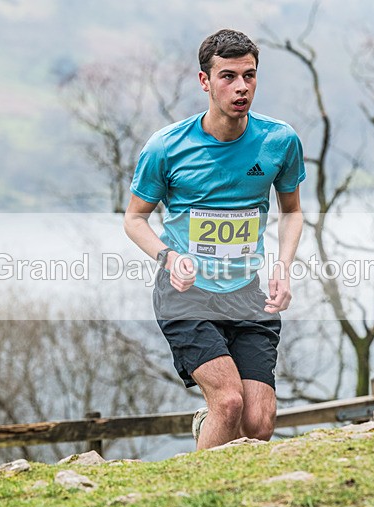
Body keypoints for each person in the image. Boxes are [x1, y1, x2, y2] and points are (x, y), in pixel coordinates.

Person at [123, 28, 305, 450]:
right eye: (228, 76)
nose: (241, 86)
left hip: (246, 294)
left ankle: (213, 437)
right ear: (205, 81)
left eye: (249, 75)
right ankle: (195, 497)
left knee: (259, 421)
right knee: (228, 402)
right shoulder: (166, 147)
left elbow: (292, 211)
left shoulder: (279, 141)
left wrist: (283, 268)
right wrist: (168, 257)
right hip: (186, 294)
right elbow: (134, 220)